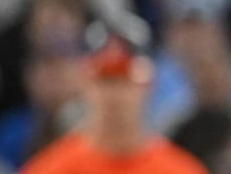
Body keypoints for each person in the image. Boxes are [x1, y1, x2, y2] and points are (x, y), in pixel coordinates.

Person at [20, 19, 206, 174]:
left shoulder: (181, 170)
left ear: (149, 84)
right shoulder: (49, 169)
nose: (114, 95)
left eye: (125, 79)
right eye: (105, 79)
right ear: (84, 82)